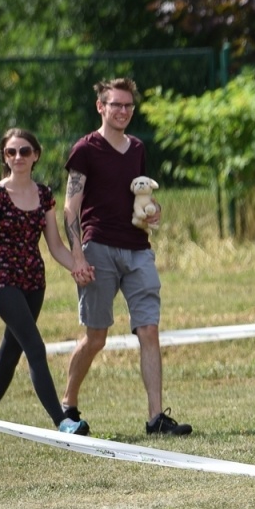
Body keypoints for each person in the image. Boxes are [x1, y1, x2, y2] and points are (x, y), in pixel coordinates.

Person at [61, 78, 191, 437]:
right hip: (97, 247)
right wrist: (77, 257)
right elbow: (71, 208)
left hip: (138, 249)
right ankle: (67, 405)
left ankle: (155, 419)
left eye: (128, 106)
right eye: (115, 105)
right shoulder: (84, 149)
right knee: (96, 337)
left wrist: (154, 211)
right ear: (100, 107)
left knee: (149, 329)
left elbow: (141, 194)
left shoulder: (136, 148)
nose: (122, 111)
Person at [0, 129, 95, 444]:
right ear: (4, 157)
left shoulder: (44, 194)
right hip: (2, 281)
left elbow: (55, 246)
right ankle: (62, 423)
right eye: (11, 152)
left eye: (24, 151)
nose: (18, 157)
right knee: (35, 348)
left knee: (10, 354)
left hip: (34, 281)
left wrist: (77, 265)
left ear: (35, 155)